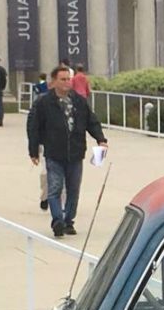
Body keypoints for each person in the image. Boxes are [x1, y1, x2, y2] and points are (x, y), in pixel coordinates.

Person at [27, 65, 108, 237]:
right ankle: (58, 220)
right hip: (54, 153)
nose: (66, 82)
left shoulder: (78, 101)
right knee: (55, 188)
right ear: (54, 82)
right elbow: (33, 127)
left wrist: (101, 139)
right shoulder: (43, 103)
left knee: (73, 189)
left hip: (75, 152)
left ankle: (68, 220)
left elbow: (91, 121)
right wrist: (33, 150)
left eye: (68, 79)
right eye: (62, 79)